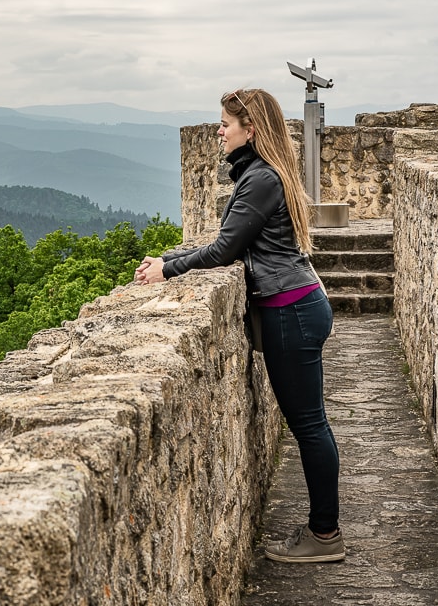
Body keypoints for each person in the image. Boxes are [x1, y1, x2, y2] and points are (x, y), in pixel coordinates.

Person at [134, 87, 343, 563]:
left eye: (225, 124)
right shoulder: (263, 174)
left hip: (291, 311)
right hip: (294, 305)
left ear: (251, 130)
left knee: (309, 426)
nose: (219, 131)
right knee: (311, 424)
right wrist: (170, 256)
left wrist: (168, 270)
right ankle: (323, 529)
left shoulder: (261, 179)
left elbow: (225, 250)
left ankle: (326, 536)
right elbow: (232, 241)